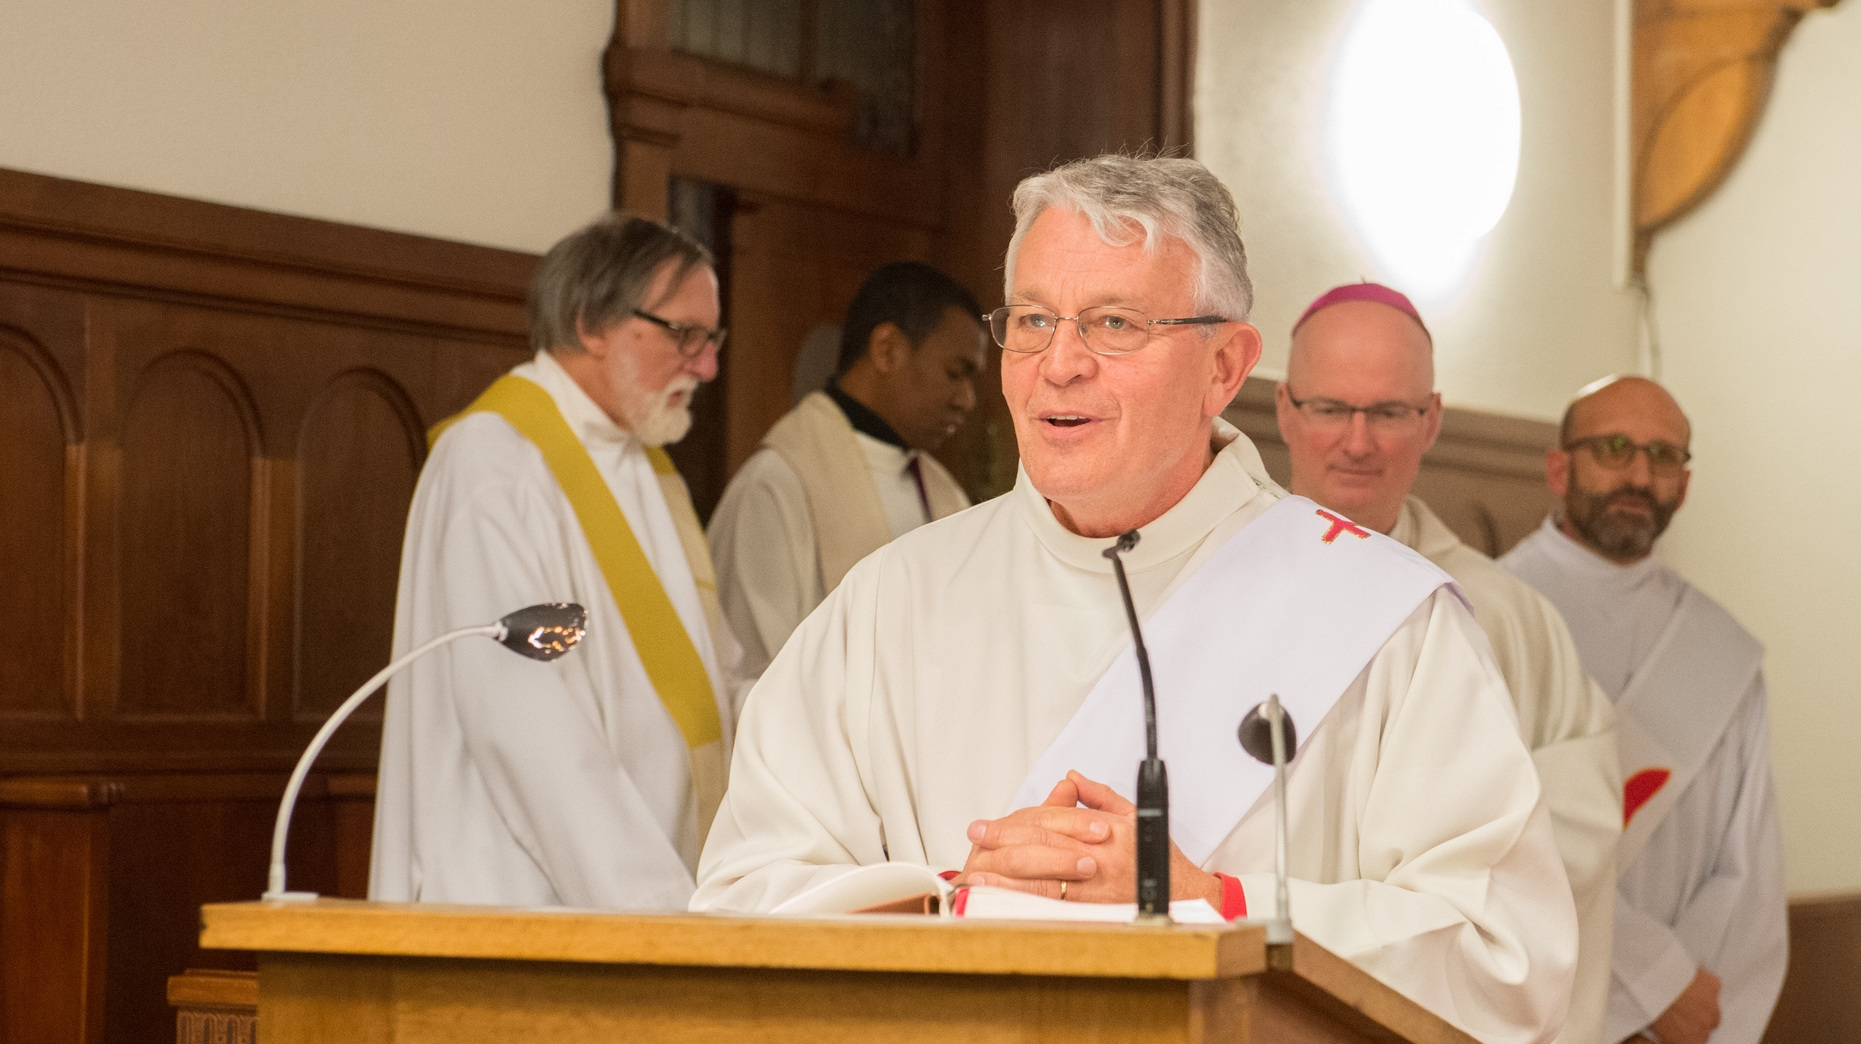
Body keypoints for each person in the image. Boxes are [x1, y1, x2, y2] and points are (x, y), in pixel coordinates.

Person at [693, 155, 1577, 1044]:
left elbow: (1503, 957)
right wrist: (957, 908)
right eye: (1032, 320)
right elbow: (741, 900)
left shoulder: (1387, 619)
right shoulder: (888, 604)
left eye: (1113, 324)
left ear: (1224, 366)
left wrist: (1212, 905)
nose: (1059, 364)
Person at [1276, 283, 1622, 1044]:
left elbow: (1574, 841)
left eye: (1389, 412)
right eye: (1331, 408)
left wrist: (1412, 899)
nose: (1357, 441)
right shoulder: (1217, 585)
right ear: (1284, 411)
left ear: (1430, 419)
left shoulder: (1509, 614)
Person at [369, 213, 745, 909]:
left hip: (663, 890)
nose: (707, 365)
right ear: (590, 322)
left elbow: (713, 681)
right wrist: (653, 907)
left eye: (712, 337)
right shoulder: (493, 462)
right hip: (530, 896)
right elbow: (524, 723)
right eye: (684, 335)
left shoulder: (651, 469)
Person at [1501, 377, 1786, 1044]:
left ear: (1683, 485)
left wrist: (1685, 1004)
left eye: (1663, 456)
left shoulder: (1725, 652)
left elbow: (1749, 875)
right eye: (1616, 447)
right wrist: (1658, 983)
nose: (1639, 473)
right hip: (1535, 1007)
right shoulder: (1493, 611)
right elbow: (1498, 839)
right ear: (1558, 467)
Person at [709, 262, 987, 680]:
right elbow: (752, 676)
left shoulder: (942, 492)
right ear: (887, 350)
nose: (967, 400)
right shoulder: (776, 484)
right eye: (955, 372)